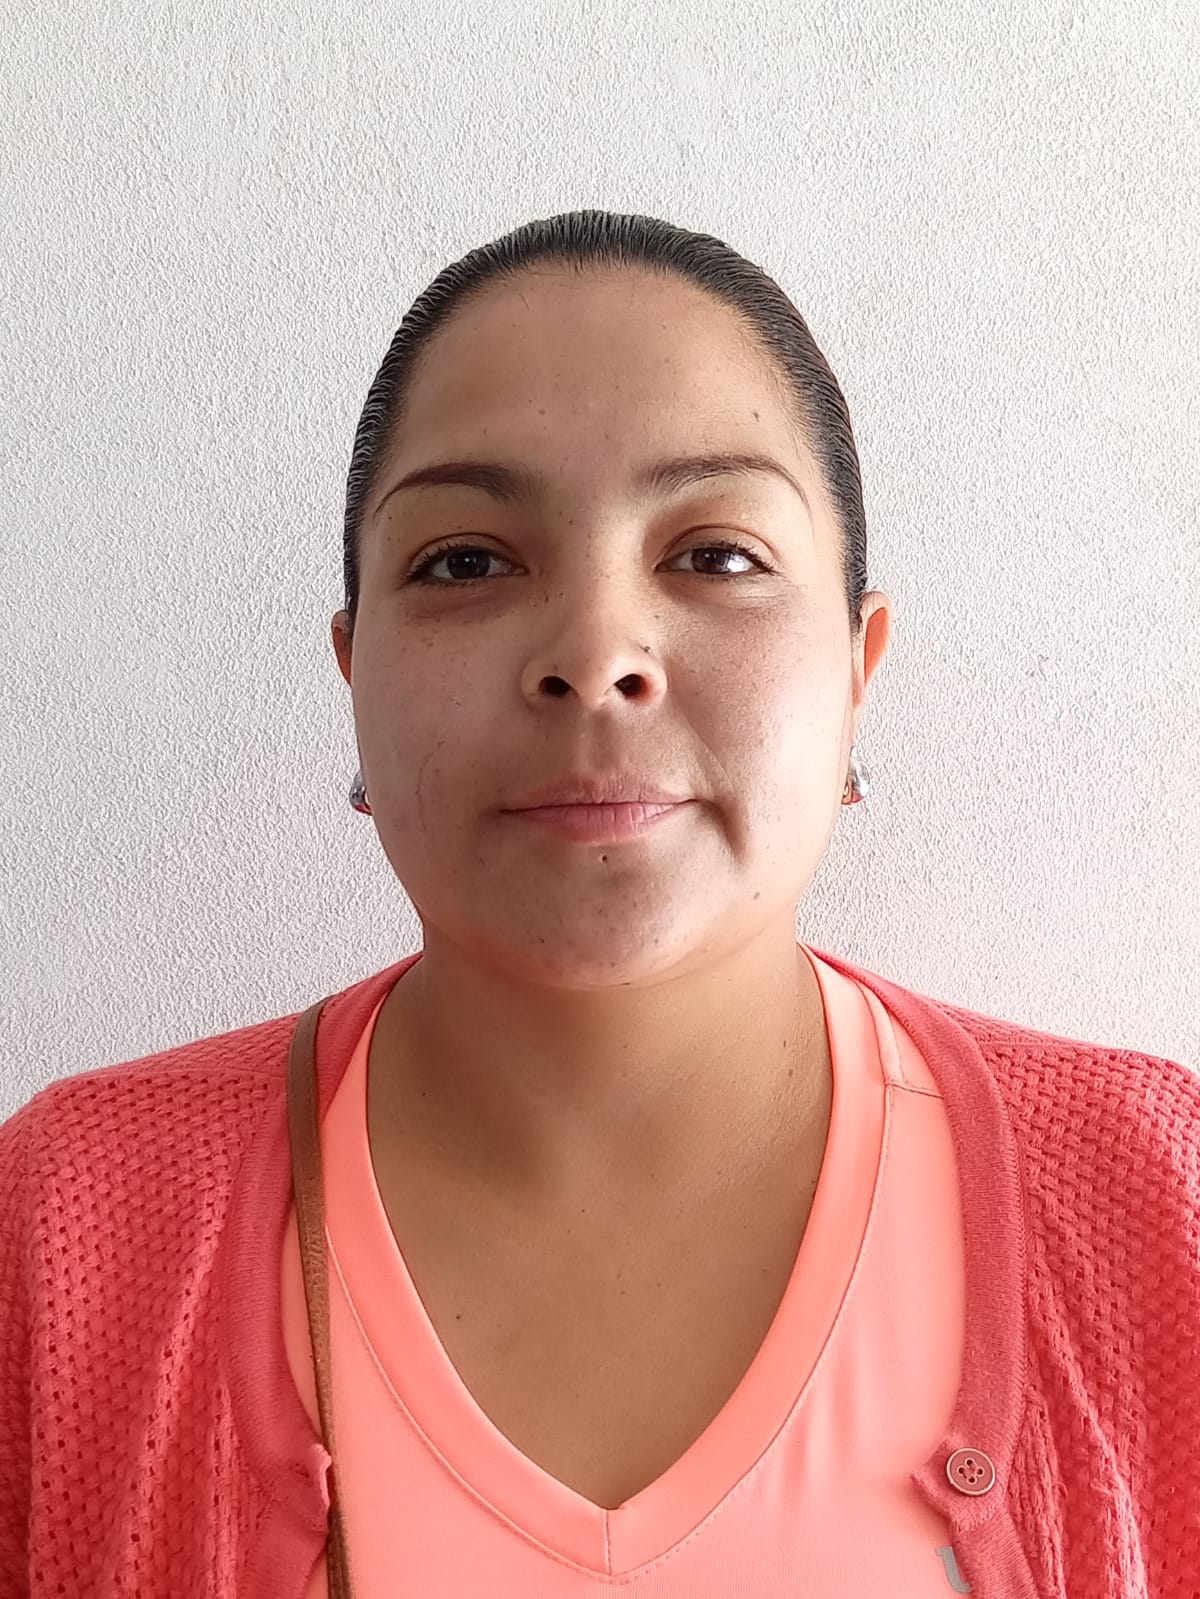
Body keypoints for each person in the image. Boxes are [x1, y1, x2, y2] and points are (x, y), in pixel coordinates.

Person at [2, 210, 1197, 1599]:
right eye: (465, 561)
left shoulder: (1158, 1203)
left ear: (858, 665)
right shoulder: (67, 1228)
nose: (594, 652)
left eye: (716, 555)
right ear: (354, 668)